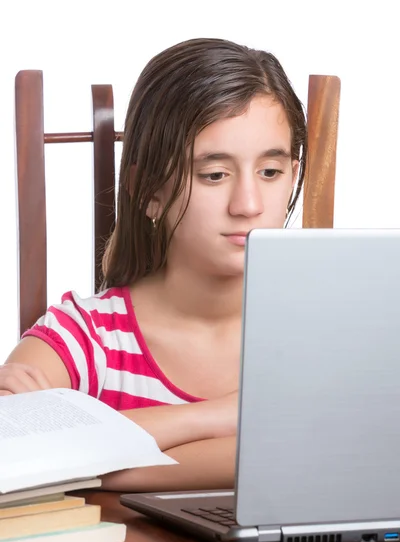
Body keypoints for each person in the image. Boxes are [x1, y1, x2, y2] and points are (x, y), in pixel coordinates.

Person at [0, 38, 307, 492]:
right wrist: (219, 415)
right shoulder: (87, 337)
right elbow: (14, 454)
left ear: (294, 175)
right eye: (214, 175)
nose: (249, 204)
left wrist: (93, 465)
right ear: (150, 190)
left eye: (270, 172)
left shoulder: (324, 337)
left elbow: (346, 455)